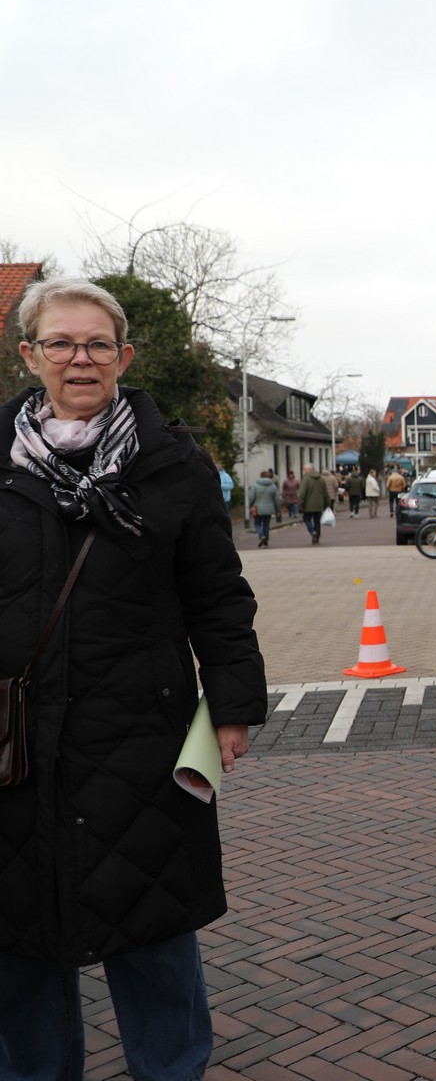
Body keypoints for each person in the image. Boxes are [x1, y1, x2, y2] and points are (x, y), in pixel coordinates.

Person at [0, 277, 267, 1080]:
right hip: (14, 745)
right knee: (17, 941)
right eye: (61, 343)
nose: (80, 359)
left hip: (141, 739)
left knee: (152, 931)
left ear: (124, 356)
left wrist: (232, 705)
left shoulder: (173, 463)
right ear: (30, 355)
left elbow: (217, 596)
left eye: (97, 344)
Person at [249, 467, 282, 547]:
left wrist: (249, 506)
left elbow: (251, 497)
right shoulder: (273, 486)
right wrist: (278, 509)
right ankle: (266, 540)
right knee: (266, 525)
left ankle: (261, 535)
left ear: (260, 476)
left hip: (257, 508)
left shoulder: (255, 485)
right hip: (269, 509)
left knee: (257, 523)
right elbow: (277, 499)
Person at [298, 463, 329, 544]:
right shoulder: (321, 479)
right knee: (317, 521)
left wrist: (300, 505)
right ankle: (317, 538)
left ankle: (312, 531)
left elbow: (302, 493)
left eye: (304, 469)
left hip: (308, 505)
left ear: (309, 470)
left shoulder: (306, 479)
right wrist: (327, 504)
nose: (304, 471)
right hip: (319, 504)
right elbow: (325, 493)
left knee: (306, 518)